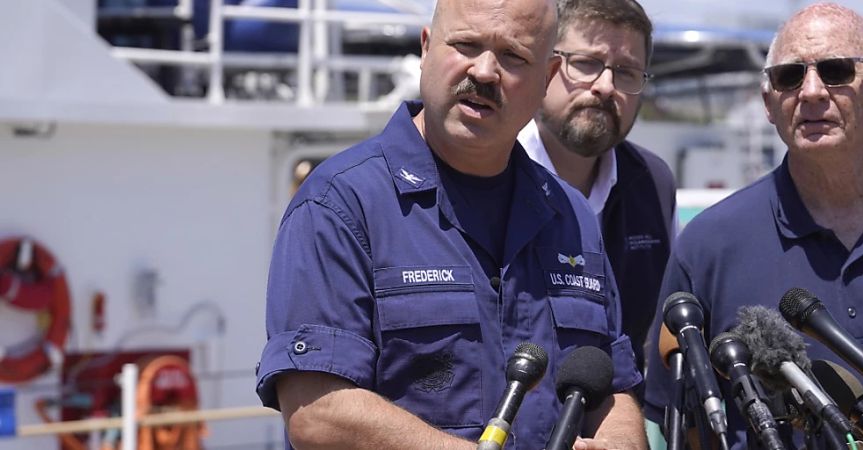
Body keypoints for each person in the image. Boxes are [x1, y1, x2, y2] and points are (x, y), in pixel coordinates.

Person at [255, 0, 648, 449]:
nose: (484, 71)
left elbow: (612, 387)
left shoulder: (571, 216)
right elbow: (318, 413)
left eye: (513, 57)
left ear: (546, 77)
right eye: (465, 44)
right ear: (426, 49)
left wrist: (621, 441)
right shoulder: (341, 204)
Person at [643, 3, 863, 449]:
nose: (812, 92)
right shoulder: (708, 246)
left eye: (836, 71)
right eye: (790, 77)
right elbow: (677, 425)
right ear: (768, 102)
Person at [518, 0, 675, 380]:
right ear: (547, 65)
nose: (605, 86)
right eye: (586, 63)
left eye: (626, 72)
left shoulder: (653, 183)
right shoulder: (491, 170)